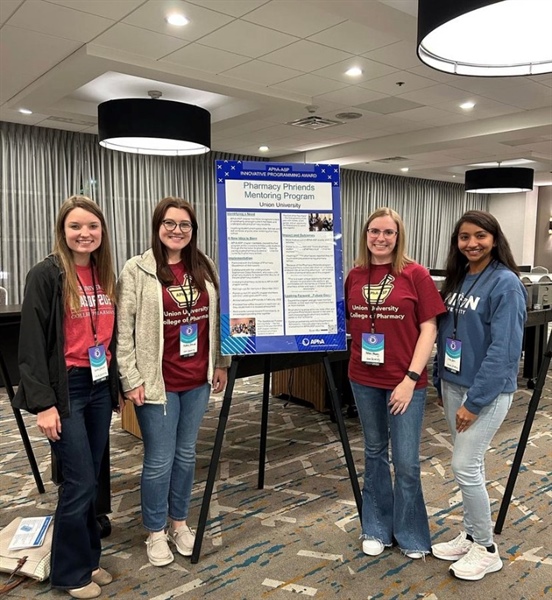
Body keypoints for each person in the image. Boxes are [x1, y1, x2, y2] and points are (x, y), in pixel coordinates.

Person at [13, 196, 118, 599]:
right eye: (75, 226)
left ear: (102, 232)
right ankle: (70, 573)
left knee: (90, 479)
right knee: (79, 482)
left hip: (97, 386)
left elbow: (108, 337)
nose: (84, 233)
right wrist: (43, 404)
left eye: (92, 226)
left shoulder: (103, 272)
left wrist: (114, 386)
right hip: (66, 389)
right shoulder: (46, 274)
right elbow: (32, 344)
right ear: (63, 231)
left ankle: (89, 560)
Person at [117, 197, 230, 567]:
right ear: (157, 226)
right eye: (170, 223)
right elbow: (124, 331)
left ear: (193, 230)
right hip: (156, 383)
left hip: (197, 379)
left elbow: (218, 318)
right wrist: (130, 378)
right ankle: (154, 530)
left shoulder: (205, 266)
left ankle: (179, 523)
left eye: (184, 225)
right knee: (159, 460)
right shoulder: (137, 269)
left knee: (186, 455)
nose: (177, 230)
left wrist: (221, 363)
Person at [345, 207, 446, 559]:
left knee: (406, 461)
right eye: (375, 231)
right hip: (363, 377)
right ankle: (375, 526)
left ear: (398, 236)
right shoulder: (355, 275)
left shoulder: (415, 274)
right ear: (366, 234)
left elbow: (429, 328)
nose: (381, 239)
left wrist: (411, 379)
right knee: (374, 453)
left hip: (406, 382)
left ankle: (411, 532)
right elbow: (352, 321)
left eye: (388, 232)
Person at [432, 210, 527, 581]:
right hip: (454, 385)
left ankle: (487, 549)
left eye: (480, 236)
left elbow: (504, 352)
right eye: (464, 237)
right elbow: (446, 333)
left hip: (484, 393)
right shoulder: (460, 278)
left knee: (463, 466)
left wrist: (474, 402)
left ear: (494, 238)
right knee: (470, 464)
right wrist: (441, 379)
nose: (472, 243)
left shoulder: (505, 284)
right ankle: (471, 534)